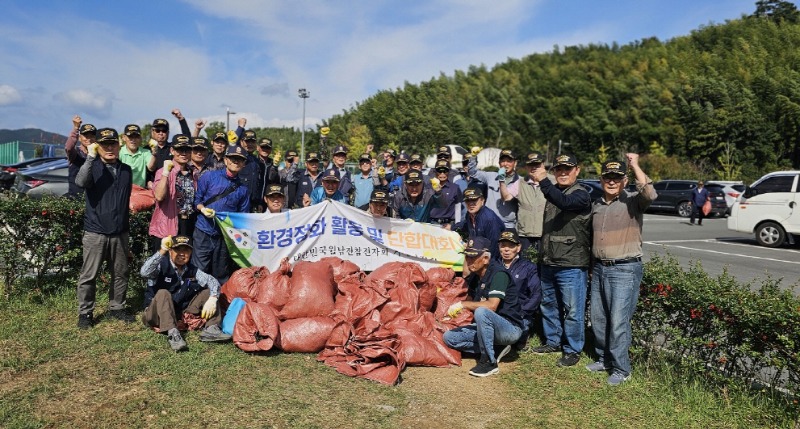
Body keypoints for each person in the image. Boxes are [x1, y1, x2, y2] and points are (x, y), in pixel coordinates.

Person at [588, 155, 656, 386]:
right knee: (598, 318)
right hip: (599, 268)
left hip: (625, 269)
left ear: (624, 180)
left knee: (618, 321)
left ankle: (621, 369)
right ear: (601, 179)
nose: (612, 181)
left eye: (617, 177)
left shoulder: (633, 201)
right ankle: (604, 358)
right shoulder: (596, 204)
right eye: (608, 177)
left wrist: (635, 165)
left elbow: (650, 193)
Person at [529, 154, 592, 368]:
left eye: (567, 169)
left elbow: (564, 202)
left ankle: (573, 349)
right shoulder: (554, 192)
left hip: (571, 264)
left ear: (577, 170)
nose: (563, 173)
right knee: (549, 305)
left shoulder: (581, 195)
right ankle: (552, 341)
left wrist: (543, 180)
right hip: (549, 261)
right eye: (559, 169)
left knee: (573, 310)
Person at [74, 128, 134, 328]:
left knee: (120, 272)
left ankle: (117, 307)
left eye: (113, 144)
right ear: (97, 146)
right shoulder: (92, 166)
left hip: (120, 231)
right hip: (95, 232)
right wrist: (90, 158)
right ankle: (85, 313)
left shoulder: (126, 170)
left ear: (119, 145)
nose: (109, 148)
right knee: (88, 275)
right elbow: (80, 181)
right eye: (104, 144)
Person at [443, 236, 525, 377]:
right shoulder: (476, 276)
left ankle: (489, 362)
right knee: (449, 337)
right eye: (467, 257)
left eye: (473, 257)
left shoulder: (499, 274)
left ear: (486, 259)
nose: (469, 261)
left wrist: (463, 304)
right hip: (488, 328)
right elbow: (465, 277)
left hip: (510, 329)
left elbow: (492, 306)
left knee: (482, 311)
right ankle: (496, 348)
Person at [140, 235, 230, 352]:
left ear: (191, 252)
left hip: (180, 312)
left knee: (208, 292)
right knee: (163, 293)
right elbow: (144, 272)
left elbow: (213, 281)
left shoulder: (191, 269)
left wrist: (213, 298)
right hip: (155, 314)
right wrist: (162, 250)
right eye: (177, 250)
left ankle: (212, 329)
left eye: (186, 250)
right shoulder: (161, 265)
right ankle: (173, 334)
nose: (182, 254)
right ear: (170, 251)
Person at [193, 145, 250, 283]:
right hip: (203, 231)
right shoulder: (209, 177)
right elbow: (197, 201)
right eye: (233, 158)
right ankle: (195, 303)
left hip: (224, 236)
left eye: (240, 160)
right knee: (199, 271)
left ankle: (219, 303)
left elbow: (242, 217)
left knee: (221, 274)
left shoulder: (243, 189)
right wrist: (202, 209)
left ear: (243, 164)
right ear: (225, 160)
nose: (236, 162)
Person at [497, 228, 541, 352]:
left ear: (518, 247)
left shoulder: (529, 267)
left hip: (520, 313)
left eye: (511, 246)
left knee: (517, 336)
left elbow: (536, 294)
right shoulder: (493, 266)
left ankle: (522, 335)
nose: (506, 249)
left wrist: (522, 312)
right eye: (503, 245)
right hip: (498, 313)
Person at [149, 135, 195, 251]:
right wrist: (166, 173)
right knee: (163, 263)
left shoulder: (194, 173)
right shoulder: (162, 172)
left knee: (184, 262)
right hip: (168, 223)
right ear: (172, 150)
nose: (184, 153)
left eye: (187, 150)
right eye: (180, 150)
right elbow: (159, 196)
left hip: (188, 224)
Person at [506, 152, 548, 254]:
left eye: (537, 165)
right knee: (526, 265)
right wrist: (501, 181)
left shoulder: (553, 181)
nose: (534, 168)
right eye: (530, 165)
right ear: (526, 167)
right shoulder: (521, 182)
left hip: (546, 234)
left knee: (544, 266)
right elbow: (506, 197)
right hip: (525, 235)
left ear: (543, 165)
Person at [468, 149, 520, 229]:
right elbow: (473, 173)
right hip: (489, 222)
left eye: (509, 161)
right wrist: (473, 157)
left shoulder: (520, 181)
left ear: (515, 163)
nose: (505, 164)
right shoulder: (491, 176)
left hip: (508, 225)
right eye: (502, 161)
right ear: (499, 163)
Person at [455, 186, 504, 260]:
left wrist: (488, 267)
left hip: (490, 260)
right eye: (468, 200)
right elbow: (464, 225)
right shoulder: (469, 214)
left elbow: (494, 247)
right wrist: (451, 227)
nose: (471, 204)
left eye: (474, 200)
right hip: (477, 256)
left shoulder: (489, 219)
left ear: (482, 200)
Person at [64, 116, 95, 197]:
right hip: (76, 197)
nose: (89, 139)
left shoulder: (98, 155)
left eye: (92, 136)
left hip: (94, 198)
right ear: (80, 138)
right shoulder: (75, 153)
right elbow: (69, 147)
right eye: (86, 136)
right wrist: (76, 128)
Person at [428, 159, 463, 229]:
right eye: (439, 171)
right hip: (431, 224)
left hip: (448, 225)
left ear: (449, 172)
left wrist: (456, 225)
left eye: (445, 171)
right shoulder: (428, 187)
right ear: (435, 172)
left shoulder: (455, 188)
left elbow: (458, 208)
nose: (442, 173)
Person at [253, 137, 280, 212]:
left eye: (267, 148)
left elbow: (275, 180)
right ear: (258, 148)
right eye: (263, 147)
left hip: (268, 202)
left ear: (271, 150)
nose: (265, 150)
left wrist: (275, 166)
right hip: (253, 201)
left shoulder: (273, 163)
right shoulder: (253, 161)